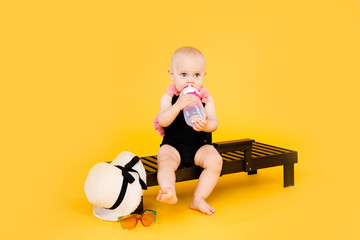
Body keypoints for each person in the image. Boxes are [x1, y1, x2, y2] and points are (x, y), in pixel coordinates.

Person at [153, 46, 223, 215]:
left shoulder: (206, 99)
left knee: (215, 160)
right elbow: (163, 120)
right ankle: (169, 190)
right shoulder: (169, 98)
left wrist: (206, 125)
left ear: (203, 76)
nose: (190, 81)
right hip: (173, 146)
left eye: (196, 75)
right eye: (183, 75)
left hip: (198, 147)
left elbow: (214, 122)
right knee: (165, 162)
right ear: (172, 75)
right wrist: (178, 106)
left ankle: (198, 198)